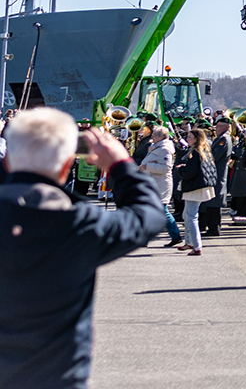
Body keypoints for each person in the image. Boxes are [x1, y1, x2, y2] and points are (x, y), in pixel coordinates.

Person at [0, 108, 168, 389]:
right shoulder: (78, 223)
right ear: (67, 165)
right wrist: (120, 165)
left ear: (6, 160)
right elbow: (149, 216)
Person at [175, 129, 219, 255]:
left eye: (190, 137)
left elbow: (190, 172)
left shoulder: (195, 152)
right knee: (187, 215)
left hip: (195, 187)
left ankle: (196, 246)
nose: (187, 139)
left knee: (191, 217)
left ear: (196, 139)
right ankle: (189, 242)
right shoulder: (204, 150)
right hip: (201, 186)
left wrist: (180, 170)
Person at [139, 125, 183, 248]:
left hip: (160, 184)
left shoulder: (164, 149)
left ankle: (176, 235)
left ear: (161, 137)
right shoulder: (157, 147)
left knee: (162, 211)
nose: (152, 137)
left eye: (154, 135)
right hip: (153, 183)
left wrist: (146, 167)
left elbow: (165, 168)